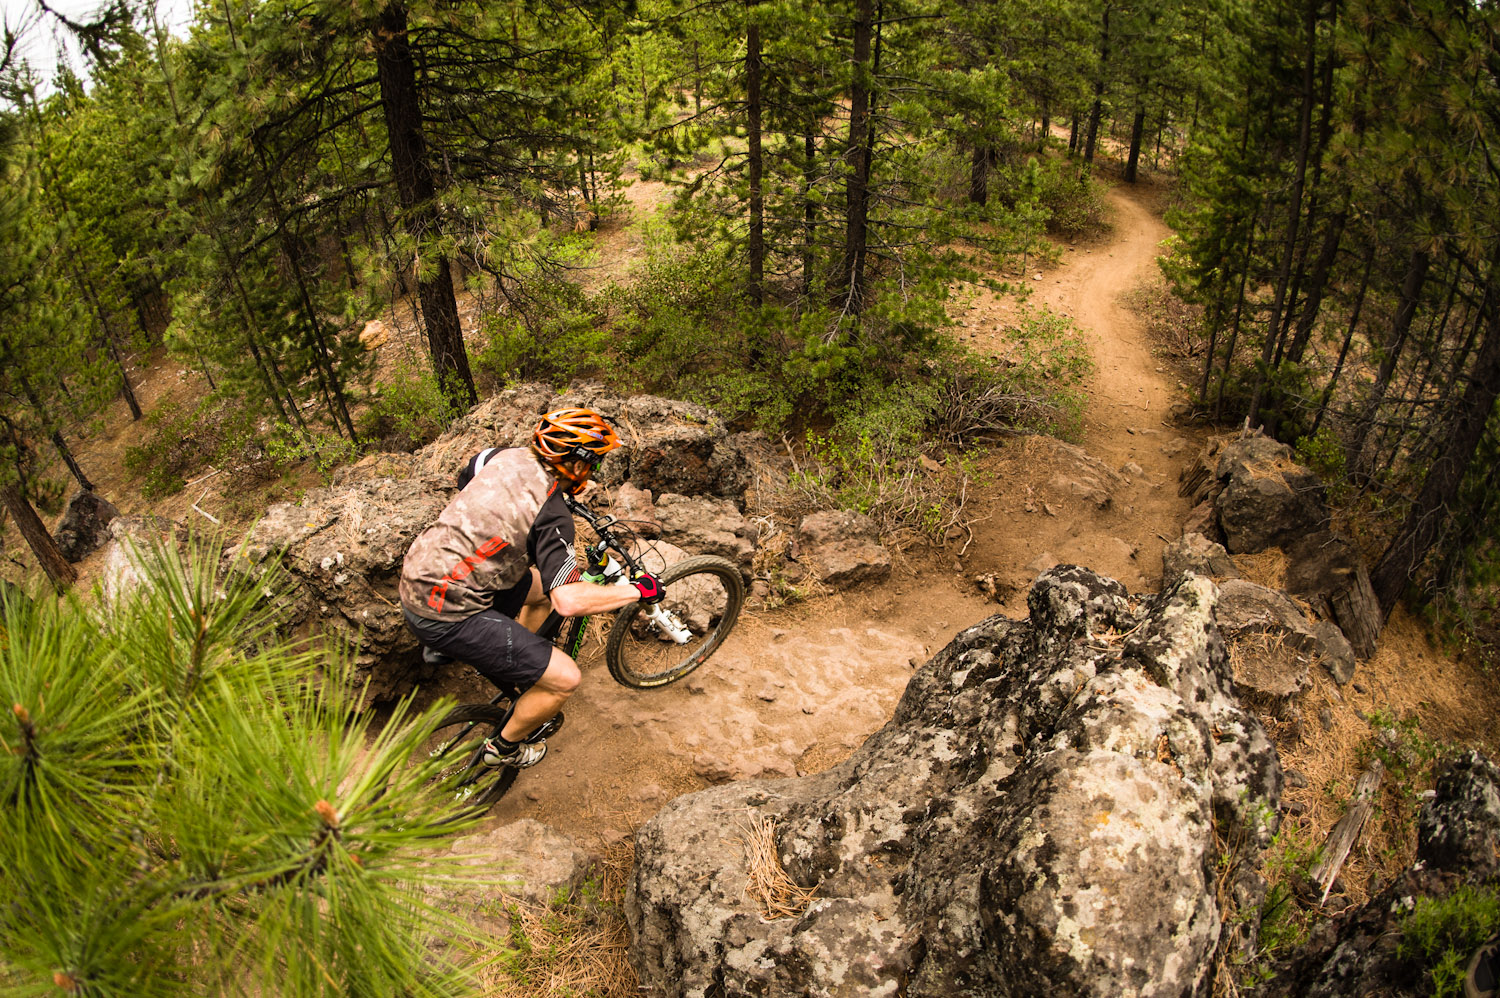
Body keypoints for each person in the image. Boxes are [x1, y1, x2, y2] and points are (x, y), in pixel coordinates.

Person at [398, 408, 662, 768]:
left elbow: (467, 478)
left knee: (536, 587)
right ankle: (503, 748)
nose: (595, 471)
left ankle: (524, 665)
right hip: (448, 613)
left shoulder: (500, 456)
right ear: (578, 465)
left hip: (420, 576)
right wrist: (638, 591)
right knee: (567, 678)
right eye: (595, 463)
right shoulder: (552, 516)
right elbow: (567, 601)